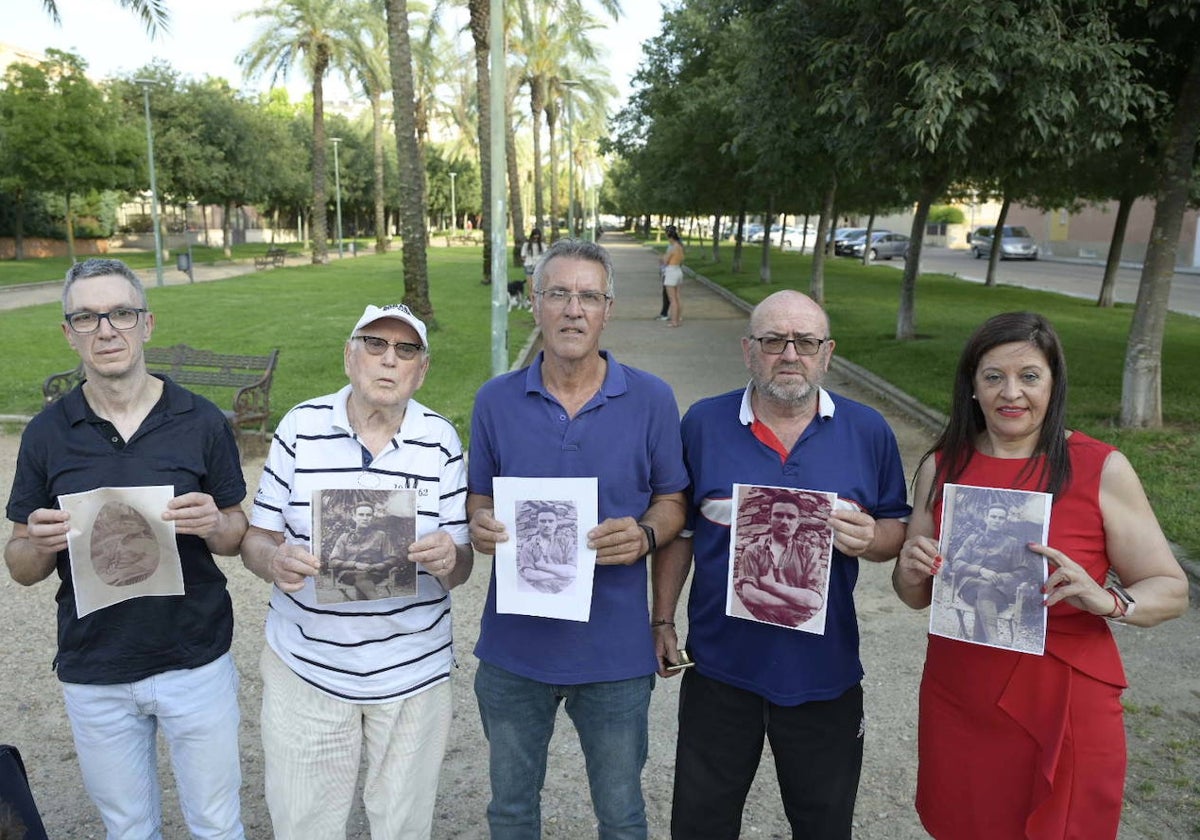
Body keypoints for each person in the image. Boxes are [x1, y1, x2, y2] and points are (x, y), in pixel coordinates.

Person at [893, 311, 1189, 839]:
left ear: (1053, 383)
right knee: (966, 824)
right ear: (972, 387)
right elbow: (912, 594)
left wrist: (1109, 601)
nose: (1012, 393)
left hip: (1064, 697)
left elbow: (1171, 588)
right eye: (993, 377)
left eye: (1030, 376)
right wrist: (913, 568)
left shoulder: (1100, 467)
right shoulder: (943, 466)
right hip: (961, 691)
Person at [652, 289, 911, 840]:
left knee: (823, 824)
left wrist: (872, 538)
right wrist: (662, 618)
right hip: (721, 668)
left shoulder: (868, 431)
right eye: (773, 341)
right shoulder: (703, 423)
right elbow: (683, 529)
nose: (789, 354)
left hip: (825, 673)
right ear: (749, 350)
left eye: (805, 342)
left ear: (827, 352)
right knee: (700, 823)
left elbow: (897, 529)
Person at [4, 257, 249, 839]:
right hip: (96, 665)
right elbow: (19, 565)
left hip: (195, 657)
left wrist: (215, 522)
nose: (106, 330)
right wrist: (36, 544)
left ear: (147, 323)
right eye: (86, 318)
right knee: (128, 829)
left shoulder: (201, 420)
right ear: (68, 333)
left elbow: (237, 533)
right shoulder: (46, 433)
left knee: (216, 823)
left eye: (120, 313)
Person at [467, 238, 689, 839]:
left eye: (588, 296)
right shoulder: (494, 400)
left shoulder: (651, 399)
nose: (573, 310)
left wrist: (644, 535)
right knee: (511, 812)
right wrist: (480, 523)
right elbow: (479, 495)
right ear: (534, 305)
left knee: (621, 816)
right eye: (558, 294)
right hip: (514, 651)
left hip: (614, 654)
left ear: (607, 309)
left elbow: (674, 502)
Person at [240, 304, 472, 840]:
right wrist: (274, 561)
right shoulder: (300, 427)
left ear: (422, 369)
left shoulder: (440, 439)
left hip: (414, 670)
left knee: (404, 827)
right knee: (304, 825)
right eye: (375, 344)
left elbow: (461, 564)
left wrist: (448, 558)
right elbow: (257, 537)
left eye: (405, 350)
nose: (389, 360)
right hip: (308, 667)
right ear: (349, 357)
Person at [734, 495, 828, 627]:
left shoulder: (808, 553)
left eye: (791, 517)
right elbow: (750, 595)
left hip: (801, 626)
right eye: (778, 515)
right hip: (761, 623)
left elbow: (815, 601)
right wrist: (796, 602)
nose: (784, 521)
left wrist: (772, 586)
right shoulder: (752, 551)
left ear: (798, 522)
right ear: (769, 519)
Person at [952, 503, 1039, 643]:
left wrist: (1000, 578)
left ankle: (980, 642)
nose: (996, 520)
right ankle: (993, 640)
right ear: (986, 518)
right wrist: (981, 570)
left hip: (998, 593)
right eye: (993, 516)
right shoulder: (973, 539)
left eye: (1001, 518)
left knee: (985, 590)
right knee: (984, 587)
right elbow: (956, 563)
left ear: (1005, 521)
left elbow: (1023, 571)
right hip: (969, 588)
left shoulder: (1013, 543)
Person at [328, 501, 404, 600]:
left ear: (372, 518)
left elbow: (393, 558)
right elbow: (332, 561)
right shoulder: (344, 537)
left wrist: (378, 566)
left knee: (363, 578)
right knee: (361, 576)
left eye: (368, 515)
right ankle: (376, 603)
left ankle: (366, 608)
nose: (365, 518)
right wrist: (355, 564)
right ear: (354, 517)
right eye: (361, 514)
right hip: (349, 574)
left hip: (374, 573)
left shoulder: (381, 536)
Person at [516, 504, 576, 593]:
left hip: (565, 592)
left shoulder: (566, 543)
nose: (547, 525)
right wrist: (560, 574)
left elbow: (572, 572)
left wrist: (544, 566)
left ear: (556, 523)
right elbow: (530, 575)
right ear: (537, 523)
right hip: (537, 592)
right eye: (543, 521)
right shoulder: (528, 546)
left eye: (551, 521)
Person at [658, 224, 685, 327]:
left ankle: (674, 321)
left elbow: (665, 260)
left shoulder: (672, 248)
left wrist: (661, 258)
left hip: (671, 272)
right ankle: (678, 318)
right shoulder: (680, 246)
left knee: (672, 299)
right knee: (677, 297)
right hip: (678, 270)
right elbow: (682, 258)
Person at [520, 227, 546, 306]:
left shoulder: (542, 245)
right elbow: (522, 255)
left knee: (538, 286)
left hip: (538, 267)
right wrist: (527, 260)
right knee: (530, 287)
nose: (535, 239)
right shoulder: (526, 244)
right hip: (529, 266)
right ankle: (532, 304)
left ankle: (536, 303)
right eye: (534, 237)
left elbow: (546, 256)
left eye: (537, 238)